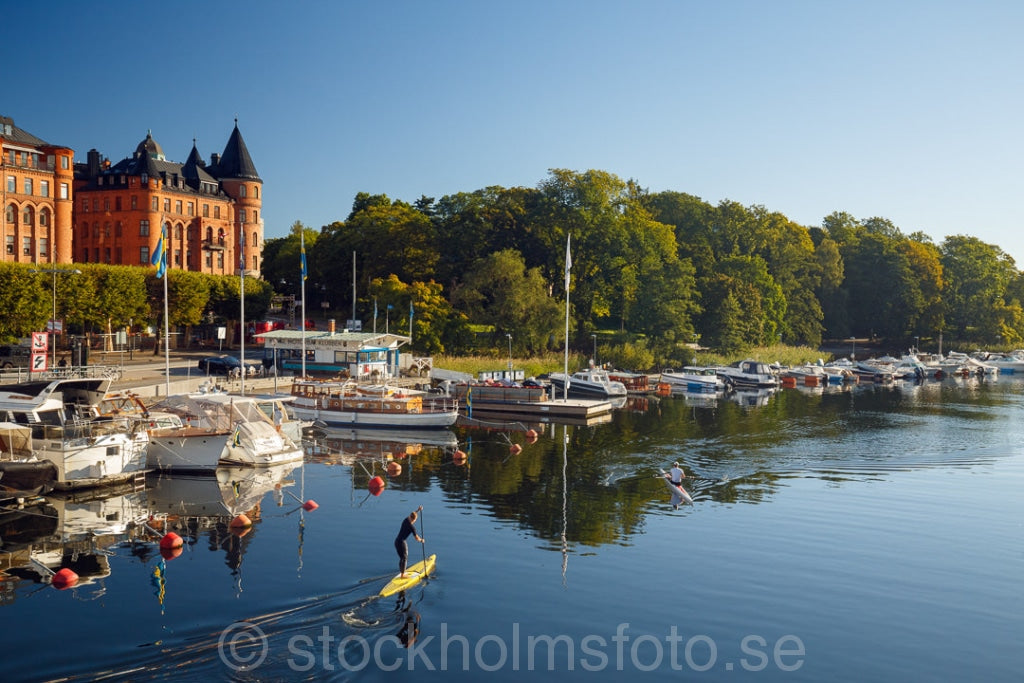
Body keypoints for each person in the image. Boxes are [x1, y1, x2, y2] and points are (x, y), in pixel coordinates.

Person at [394, 506, 424, 578]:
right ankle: (402, 574)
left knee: (402, 558)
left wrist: (417, 510)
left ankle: (402, 572)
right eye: (415, 520)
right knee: (404, 558)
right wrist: (421, 540)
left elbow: (412, 514)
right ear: (414, 519)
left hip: (396, 541)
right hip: (401, 542)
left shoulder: (406, 520)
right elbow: (416, 538)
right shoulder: (412, 527)